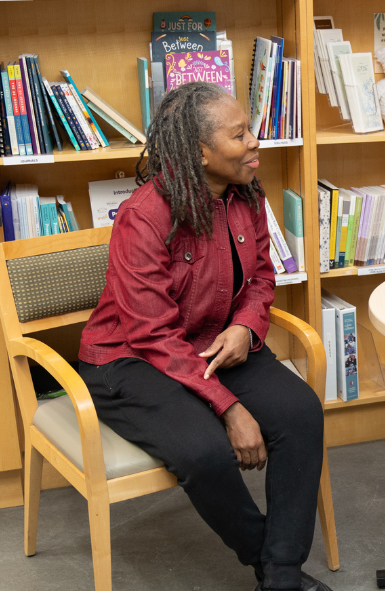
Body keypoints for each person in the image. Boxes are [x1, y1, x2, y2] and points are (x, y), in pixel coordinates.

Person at [77, 82, 332, 591]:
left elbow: (262, 276)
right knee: (204, 453)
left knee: (301, 413)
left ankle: (280, 578)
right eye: (240, 135)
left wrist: (245, 326)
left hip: (215, 343)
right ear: (199, 151)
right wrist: (230, 409)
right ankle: (267, 560)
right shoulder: (144, 216)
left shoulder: (246, 195)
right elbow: (150, 332)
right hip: (131, 359)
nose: (255, 142)